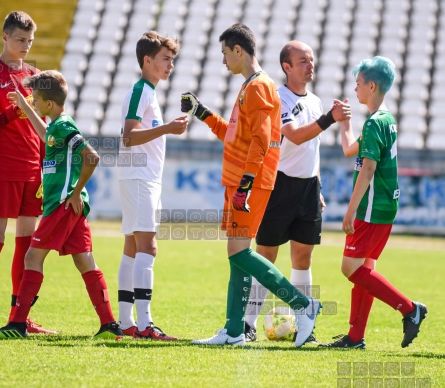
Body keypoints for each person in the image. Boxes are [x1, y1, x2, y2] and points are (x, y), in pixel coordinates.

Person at [181, 23, 320, 347]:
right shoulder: (251, 86)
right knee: (237, 252)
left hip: (250, 182)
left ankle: (304, 305)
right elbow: (235, 135)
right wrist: (201, 111)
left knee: (239, 252)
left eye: (225, 54)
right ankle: (233, 330)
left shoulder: (258, 87)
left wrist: (245, 182)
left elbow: (260, 139)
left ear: (238, 50)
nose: (223, 61)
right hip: (241, 180)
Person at [0, 70, 123, 339]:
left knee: (32, 257)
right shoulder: (58, 126)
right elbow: (46, 133)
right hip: (72, 207)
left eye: (35, 99)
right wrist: (24, 105)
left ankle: (17, 325)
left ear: (48, 104)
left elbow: (91, 157)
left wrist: (74, 192)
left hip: (61, 205)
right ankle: (109, 325)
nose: (32, 102)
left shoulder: (65, 126)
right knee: (85, 261)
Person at [243, 41, 351, 342]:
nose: (310, 65)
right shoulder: (280, 98)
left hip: (308, 188)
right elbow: (295, 137)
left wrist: (316, 187)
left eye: (312, 60)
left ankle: (305, 327)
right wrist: (331, 118)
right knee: (266, 255)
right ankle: (249, 323)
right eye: (303, 60)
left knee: (303, 258)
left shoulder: (315, 101)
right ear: (286, 67)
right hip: (279, 185)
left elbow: (311, 150)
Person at [320, 56, 427, 349]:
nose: (355, 90)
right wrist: (344, 123)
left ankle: (409, 308)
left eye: (358, 85)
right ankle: (355, 337)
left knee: (350, 269)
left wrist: (350, 211)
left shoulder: (375, 123)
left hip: (371, 207)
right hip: (385, 205)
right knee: (365, 268)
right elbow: (349, 150)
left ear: (371, 85)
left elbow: (367, 169)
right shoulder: (385, 119)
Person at [0, 11, 54, 334]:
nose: (26, 46)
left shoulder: (34, 76)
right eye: (21, 39)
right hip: (3, 169)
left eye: (30, 40)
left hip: (33, 172)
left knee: (26, 245)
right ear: (5, 37)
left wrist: (47, 168)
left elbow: (43, 128)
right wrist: (12, 111)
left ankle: (20, 318)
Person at [116, 31, 188, 341]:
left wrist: (165, 128)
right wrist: (168, 129)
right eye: (165, 59)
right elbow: (128, 136)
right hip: (139, 176)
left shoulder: (148, 91)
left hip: (141, 177)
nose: (170, 65)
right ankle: (145, 326)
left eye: (172, 59)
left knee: (132, 248)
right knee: (148, 246)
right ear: (148, 61)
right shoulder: (141, 90)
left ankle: (126, 323)